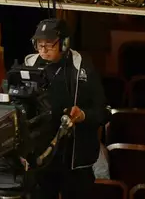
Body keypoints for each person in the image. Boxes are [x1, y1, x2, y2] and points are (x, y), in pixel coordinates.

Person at [24, 18, 107, 199]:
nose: (43, 50)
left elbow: (102, 111)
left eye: (49, 45)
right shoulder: (30, 65)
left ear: (65, 44)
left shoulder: (82, 66)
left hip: (75, 159)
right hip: (42, 157)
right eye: (39, 45)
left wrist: (83, 115)